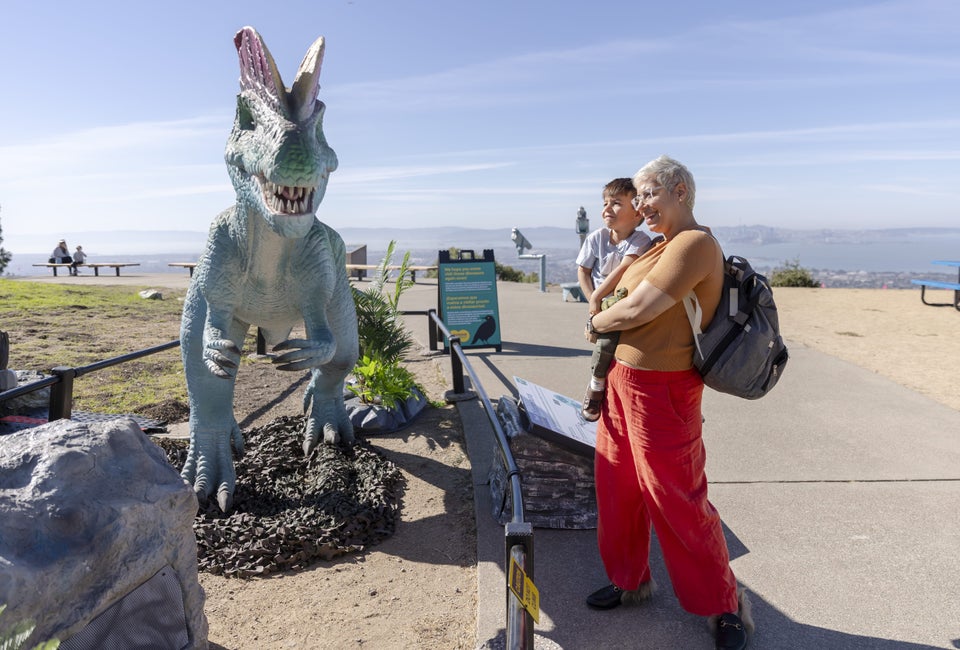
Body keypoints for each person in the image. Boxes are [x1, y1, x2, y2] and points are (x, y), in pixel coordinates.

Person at [583, 156, 753, 650]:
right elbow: (607, 291)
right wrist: (604, 304)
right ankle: (629, 581)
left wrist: (598, 322)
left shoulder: (696, 244)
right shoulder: (658, 246)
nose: (640, 205)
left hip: (665, 391)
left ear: (680, 191)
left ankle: (724, 605)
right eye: (635, 198)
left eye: (648, 195)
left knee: (678, 500)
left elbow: (639, 307)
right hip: (621, 381)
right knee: (618, 489)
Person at [575, 178, 652, 422]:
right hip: (601, 307)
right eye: (605, 203)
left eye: (616, 203)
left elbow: (624, 269)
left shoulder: (640, 241)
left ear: (637, 213)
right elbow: (583, 271)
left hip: (622, 301)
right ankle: (596, 384)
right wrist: (593, 302)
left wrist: (598, 298)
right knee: (606, 344)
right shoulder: (596, 238)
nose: (607, 209)